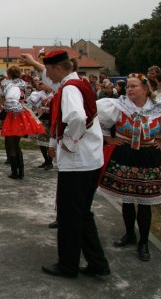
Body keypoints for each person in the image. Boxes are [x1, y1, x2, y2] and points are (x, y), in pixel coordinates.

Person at [38, 50, 110, 278]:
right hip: (91, 159)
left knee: (69, 215)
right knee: (82, 213)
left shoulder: (70, 89)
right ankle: (98, 262)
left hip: (78, 161)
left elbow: (77, 117)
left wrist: (67, 142)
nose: (47, 75)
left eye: (48, 70)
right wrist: (55, 139)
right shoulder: (80, 83)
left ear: (59, 68)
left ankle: (68, 265)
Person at [97, 73, 161, 261]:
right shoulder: (118, 106)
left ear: (145, 89)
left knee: (145, 201)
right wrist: (110, 139)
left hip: (149, 157)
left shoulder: (160, 108)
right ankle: (129, 234)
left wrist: (157, 143)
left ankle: (143, 242)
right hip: (125, 154)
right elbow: (101, 123)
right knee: (127, 199)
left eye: (133, 86)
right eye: (127, 86)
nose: (129, 89)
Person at [0, 65, 44, 179]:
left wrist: (3, 102)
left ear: (10, 74)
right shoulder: (23, 84)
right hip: (23, 112)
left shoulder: (9, 84)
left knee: (11, 143)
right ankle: (20, 172)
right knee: (15, 144)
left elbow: (4, 98)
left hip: (14, 114)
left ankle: (15, 172)